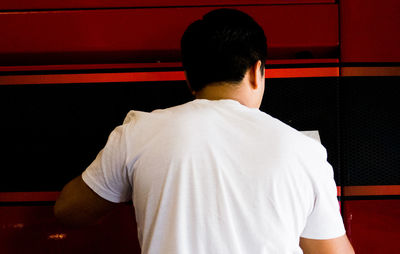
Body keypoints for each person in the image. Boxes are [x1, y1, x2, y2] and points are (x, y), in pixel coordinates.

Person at [54, 8, 354, 254]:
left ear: (190, 79)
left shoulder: (138, 134)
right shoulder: (304, 151)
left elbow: (68, 210)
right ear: (255, 72)